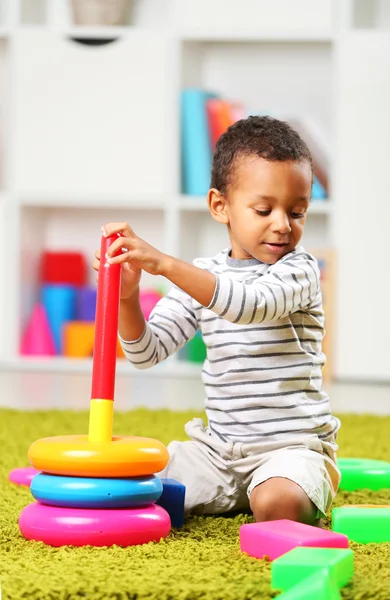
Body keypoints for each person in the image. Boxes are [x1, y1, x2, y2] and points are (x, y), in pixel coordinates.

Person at [93, 115, 340, 525]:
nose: (282, 225)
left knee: (278, 503)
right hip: (218, 452)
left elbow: (246, 304)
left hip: (291, 448)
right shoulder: (203, 274)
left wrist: (164, 264)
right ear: (219, 206)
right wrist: (128, 297)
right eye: (264, 209)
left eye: (297, 212)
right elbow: (145, 352)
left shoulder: (300, 270)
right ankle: (238, 490)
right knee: (135, 482)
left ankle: (305, 480)